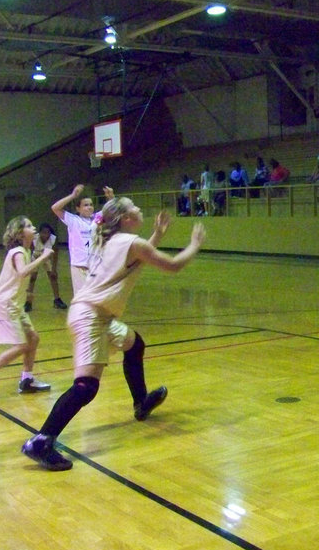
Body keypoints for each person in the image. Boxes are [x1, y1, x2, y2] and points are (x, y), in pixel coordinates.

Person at [21, 199, 206, 471]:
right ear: (125, 218)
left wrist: (157, 234)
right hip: (91, 317)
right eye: (134, 207)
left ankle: (141, 403)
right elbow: (173, 265)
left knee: (134, 344)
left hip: (97, 315)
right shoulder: (131, 243)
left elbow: (137, 257)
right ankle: (41, 441)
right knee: (86, 386)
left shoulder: (111, 240)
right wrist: (195, 245)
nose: (139, 209)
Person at [0, 216, 55, 399]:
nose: (34, 228)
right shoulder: (17, 252)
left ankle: (27, 380)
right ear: (19, 233)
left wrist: (27, 292)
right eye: (29, 226)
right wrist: (44, 257)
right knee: (22, 345)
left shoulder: (26, 251)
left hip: (16, 304)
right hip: (6, 304)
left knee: (33, 338)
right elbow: (23, 272)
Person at [52, 184, 110, 295]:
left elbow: (113, 210)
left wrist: (110, 198)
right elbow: (55, 208)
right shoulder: (73, 220)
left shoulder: (97, 219)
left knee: (97, 298)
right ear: (78, 208)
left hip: (96, 266)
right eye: (85, 205)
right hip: (79, 267)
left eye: (91, 205)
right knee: (82, 298)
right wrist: (73, 195)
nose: (89, 207)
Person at [24, 223, 67, 312]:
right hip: (35, 256)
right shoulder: (34, 238)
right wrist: (28, 265)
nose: (45, 235)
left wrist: (54, 269)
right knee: (32, 278)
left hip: (47, 257)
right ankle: (28, 302)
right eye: (43, 232)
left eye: (48, 233)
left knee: (53, 277)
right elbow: (29, 251)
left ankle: (57, 299)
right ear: (39, 233)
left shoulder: (53, 239)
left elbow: (55, 254)